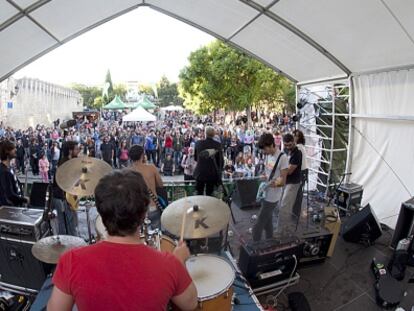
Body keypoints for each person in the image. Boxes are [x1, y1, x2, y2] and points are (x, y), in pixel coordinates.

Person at [47, 170, 198, 311]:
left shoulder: (71, 261)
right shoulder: (170, 264)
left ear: (100, 211)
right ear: (144, 212)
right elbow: (190, 304)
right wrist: (180, 261)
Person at [252, 133, 288, 241]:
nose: (263, 152)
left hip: (273, 197)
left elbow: (283, 181)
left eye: (265, 149)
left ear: (272, 145)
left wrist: (273, 183)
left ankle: (255, 247)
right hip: (265, 193)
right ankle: (270, 241)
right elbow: (268, 172)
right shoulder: (268, 155)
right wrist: (263, 176)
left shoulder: (283, 158)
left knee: (258, 226)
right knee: (268, 222)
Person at [52, 141, 80, 236]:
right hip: (62, 197)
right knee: (67, 225)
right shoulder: (64, 164)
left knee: (71, 224)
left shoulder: (70, 162)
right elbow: (65, 183)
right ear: (70, 151)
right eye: (76, 149)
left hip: (67, 196)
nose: (78, 151)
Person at [129, 145, 164, 218]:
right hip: (152, 205)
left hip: (136, 209)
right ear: (142, 155)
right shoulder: (151, 168)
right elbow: (160, 185)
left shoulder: (127, 172)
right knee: (156, 229)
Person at [193, 126, 224, 196]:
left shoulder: (198, 143)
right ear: (214, 134)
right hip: (211, 174)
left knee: (199, 193)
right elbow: (220, 162)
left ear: (205, 133)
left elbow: (195, 158)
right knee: (209, 194)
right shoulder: (218, 145)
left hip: (200, 173)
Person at [0, 140, 29, 206]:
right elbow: (9, 194)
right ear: (7, 151)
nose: (16, 150)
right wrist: (25, 200)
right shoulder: (3, 171)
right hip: (8, 210)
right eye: (13, 148)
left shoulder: (9, 168)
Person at [280, 133, 302, 218]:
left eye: (289, 145)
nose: (288, 147)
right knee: (281, 204)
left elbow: (289, 171)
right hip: (285, 181)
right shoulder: (285, 150)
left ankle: (282, 229)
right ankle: (282, 227)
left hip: (293, 183)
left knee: (285, 207)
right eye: (286, 145)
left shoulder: (297, 153)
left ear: (293, 142)